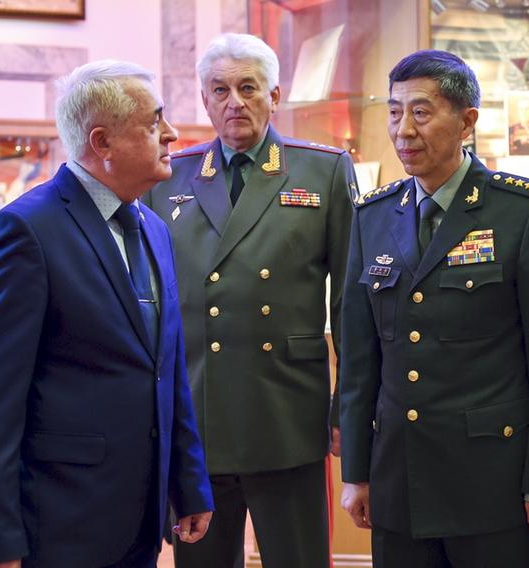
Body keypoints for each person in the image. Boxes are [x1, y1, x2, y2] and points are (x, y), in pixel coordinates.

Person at [339, 49, 529, 567]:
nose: (403, 130)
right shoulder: (373, 214)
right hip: (398, 480)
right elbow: (360, 359)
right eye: (394, 110)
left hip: (492, 482)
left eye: (421, 112)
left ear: (467, 121)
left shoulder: (524, 210)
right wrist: (356, 471)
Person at [0, 60, 213, 568]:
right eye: (153, 123)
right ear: (102, 143)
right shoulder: (24, 232)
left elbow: (165, 368)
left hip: (140, 522)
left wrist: (188, 483)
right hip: (59, 525)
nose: (172, 134)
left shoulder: (153, 229)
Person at [143, 33, 356, 568]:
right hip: (199, 411)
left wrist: (346, 406)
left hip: (286, 410)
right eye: (220, 90)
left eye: (247, 87)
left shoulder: (322, 170)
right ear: (204, 98)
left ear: (275, 94)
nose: (233, 101)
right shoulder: (171, 177)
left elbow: (351, 305)